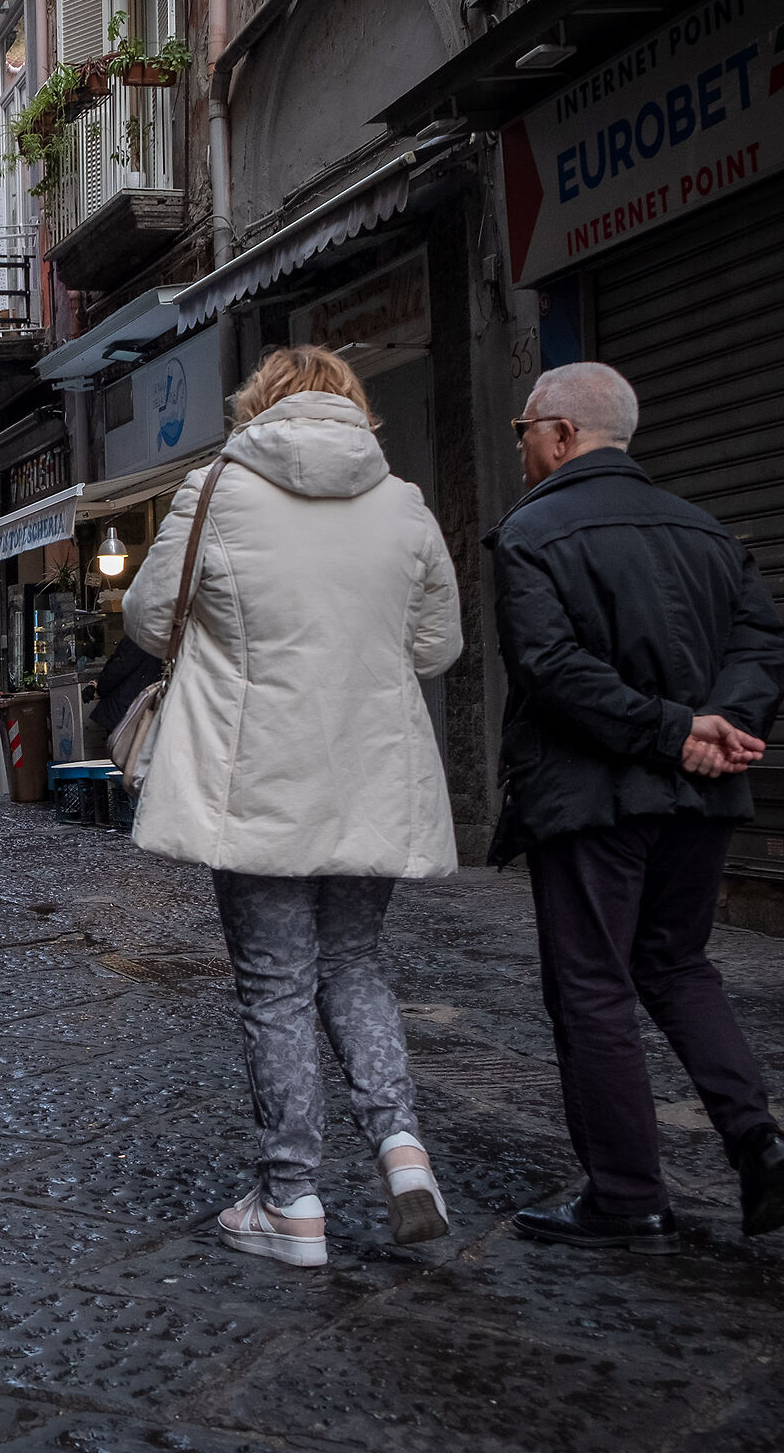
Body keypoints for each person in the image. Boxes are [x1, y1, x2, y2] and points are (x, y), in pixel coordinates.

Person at [121, 346, 462, 1268]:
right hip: (368, 776)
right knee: (353, 966)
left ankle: (292, 1203)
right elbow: (438, 649)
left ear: (257, 406)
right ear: (358, 412)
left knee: (275, 990)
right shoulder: (406, 505)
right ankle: (404, 1157)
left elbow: (150, 622)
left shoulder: (213, 490)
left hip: (256, 780)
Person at [489, 362, 784, 1253]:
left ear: (559, 433)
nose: (520, 448)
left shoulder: (530, 533)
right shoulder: (705, 530)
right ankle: (757, 1139)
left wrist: (677, 730)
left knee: (592, 988)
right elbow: (766, 644)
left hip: (595, 801)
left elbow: (549, 670)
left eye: (523, 431)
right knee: (677, 965)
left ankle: (627, 1195)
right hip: (699, 796)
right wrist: (721, 728)